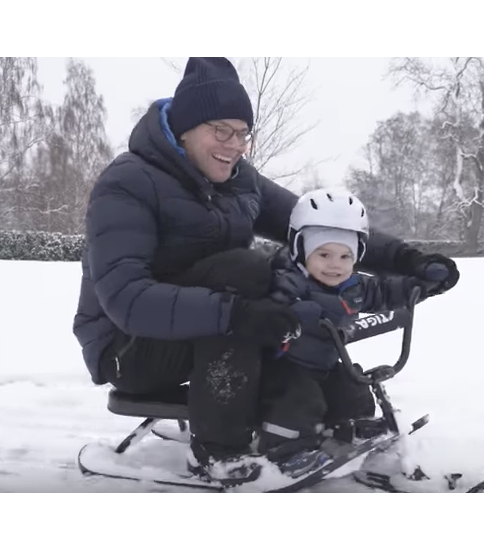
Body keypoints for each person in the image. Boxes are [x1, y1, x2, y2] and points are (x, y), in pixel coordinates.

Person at [73, 57, 460, 487]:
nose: (234, 144)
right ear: (183, 129)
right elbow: (126, 299)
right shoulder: (128, 183)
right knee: (248, 273)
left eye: (242, 133)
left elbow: (321, 226)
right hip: (128, 350)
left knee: (287, 296)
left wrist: (410, 261)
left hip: (208, 329)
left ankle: (324, 420)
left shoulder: (240, 181)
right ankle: (219, 453)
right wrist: (238, 314)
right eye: (221, 130)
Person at [254, 189, 452, 477]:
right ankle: (284, 452)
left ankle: (347, 431)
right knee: (300, 399)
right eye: (324, 254)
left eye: (345, 256)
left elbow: (384, 290)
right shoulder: (288, 280)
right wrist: (291, 311)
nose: (335, 264)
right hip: (284, 366)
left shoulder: (353, 285)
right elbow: (269, 306)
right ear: (300, 250)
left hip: (324, 365)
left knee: (353, 389)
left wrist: (418, 286)